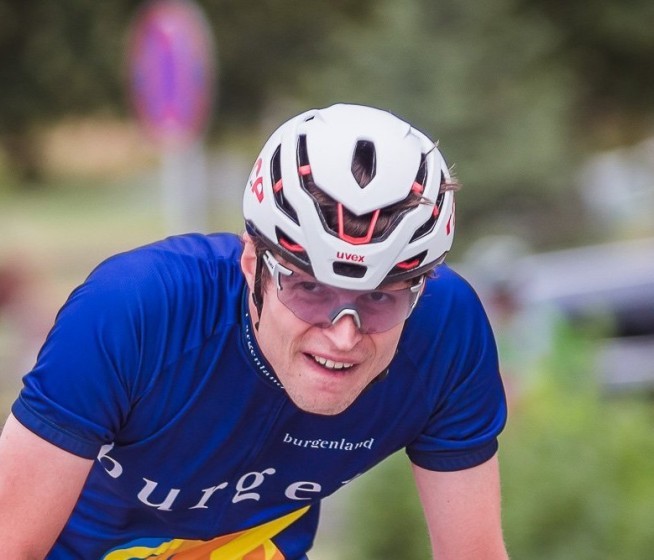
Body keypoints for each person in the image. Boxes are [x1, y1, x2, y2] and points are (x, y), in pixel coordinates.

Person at [0, 103, 508, 559]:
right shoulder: (134, 310)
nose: (343, 336)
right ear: (252, 263)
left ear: (419, 289)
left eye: (380, 298)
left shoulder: (445, 330)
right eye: (309, 289)